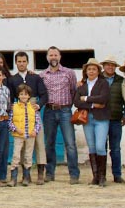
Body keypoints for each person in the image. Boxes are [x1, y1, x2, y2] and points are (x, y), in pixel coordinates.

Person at [39, 46, 80, 184]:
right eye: (50, 55)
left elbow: (74, 91)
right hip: (49, 111)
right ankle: (50, 173)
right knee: (49, 143)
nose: (53, 57)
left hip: (65, 111)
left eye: (55, 55)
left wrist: (69, 107)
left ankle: (74, 175)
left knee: (70, 144)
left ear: (60, 57)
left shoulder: (69, 73)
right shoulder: (42, 75)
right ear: (47, 57)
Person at [8, 50, 48, 184]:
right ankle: (25, 175)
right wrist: (13, 108)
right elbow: (10, 97)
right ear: (15, 63)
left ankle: (41, 173)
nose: (21, 64)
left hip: (33, 109)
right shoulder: (12, 79)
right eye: (19, 61)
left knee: (39, 141)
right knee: (22, 144)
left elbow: (44, 95)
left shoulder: (35, 77)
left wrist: (39, 105)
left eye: (24, 61)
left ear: (27, 62)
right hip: (19, 110)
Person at [74, 58, 111, 187]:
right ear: (85, 71)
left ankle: (102, 176)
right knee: (92, 147)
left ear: (98, 71)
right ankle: (95, 176)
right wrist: (94, 104)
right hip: (87, 118)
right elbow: (77, 102)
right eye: (89, 69)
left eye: (94, 69)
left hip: (101, 118)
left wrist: (87, 99)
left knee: (100, 146)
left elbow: (103, 98)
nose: (91, 71)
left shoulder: (103, 83)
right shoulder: (82, 85)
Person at [8, 84, 42, 187]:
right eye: (21, 94)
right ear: (18, 95)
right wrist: (15, 129)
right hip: (18, 135)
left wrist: (35, 131)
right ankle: (13, 178)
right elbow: (9, 122)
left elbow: (38, 122)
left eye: (25, 94)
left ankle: (26, 177)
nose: (23, 96)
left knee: (28, 155)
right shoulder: (14, 107)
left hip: (30, 136)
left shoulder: (33, 108)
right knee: (16, 155)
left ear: (29, 96)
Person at [100, 56, 125, 183]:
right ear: (103, 66)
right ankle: (102, 175)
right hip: (101, 118)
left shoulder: (121, 80)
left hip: (116, 117)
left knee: (115, 148)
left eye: (112, 65)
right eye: (108, 65)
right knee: (102, 147)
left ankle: (117, 175)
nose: (110, 67)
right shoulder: (97, 79)